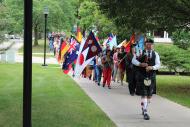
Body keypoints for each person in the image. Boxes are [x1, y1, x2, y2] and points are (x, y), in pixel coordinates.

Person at [132, 39, 161, 120]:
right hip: (142, 76)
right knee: (144, 94)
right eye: (148, 44)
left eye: (151, 44)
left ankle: (144, 107)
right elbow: (133, 60)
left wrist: (152, 67)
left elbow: (158, 64)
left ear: (153, 45)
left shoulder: (156, 54)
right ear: (145, 45)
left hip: (151, 76)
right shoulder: (139, 52)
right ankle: (145, 111)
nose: (149, 46)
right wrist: (140, 64)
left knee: (149, 95)